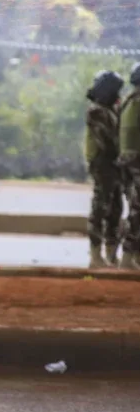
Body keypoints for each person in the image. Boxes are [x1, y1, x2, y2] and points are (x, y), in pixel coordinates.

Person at [84, 70, 124, 268]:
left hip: (114, 165)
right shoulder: (97, 111)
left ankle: (111, 253)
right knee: (101, 207)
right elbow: (109, 139)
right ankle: (95, 254)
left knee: (116, 208)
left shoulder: (110, 109)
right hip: (103, 164)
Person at [117, 63, 140, 270]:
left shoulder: (128, 101)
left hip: (127, 163)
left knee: (135, 207)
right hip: (137, 162)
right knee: (137, 210)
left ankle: (133, 256)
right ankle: (127, 256)